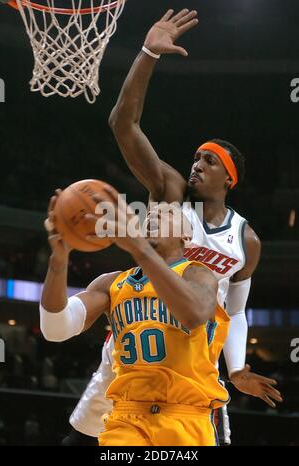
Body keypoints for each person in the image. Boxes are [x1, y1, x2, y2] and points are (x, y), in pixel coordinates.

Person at [66, 8, 282, 446]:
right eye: (196, 156)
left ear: (229, 178)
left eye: (209, 160)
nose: (196, 163)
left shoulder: (246, 240)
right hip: (134, 348)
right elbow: (122, 124)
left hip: (191, 365)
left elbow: (236, 311)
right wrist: (147, 53)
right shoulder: (170, 192)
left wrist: (237, 367)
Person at [41, 185, 232, 446]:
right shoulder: (111, 284)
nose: (153, 215)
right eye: (150, 215)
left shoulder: (198, 274)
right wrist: (59, 261)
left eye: (165, 214)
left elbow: (194, 314)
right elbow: (55, 328)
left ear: (186, 236)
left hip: (186, 419)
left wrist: (141, 250)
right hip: (126, 419)